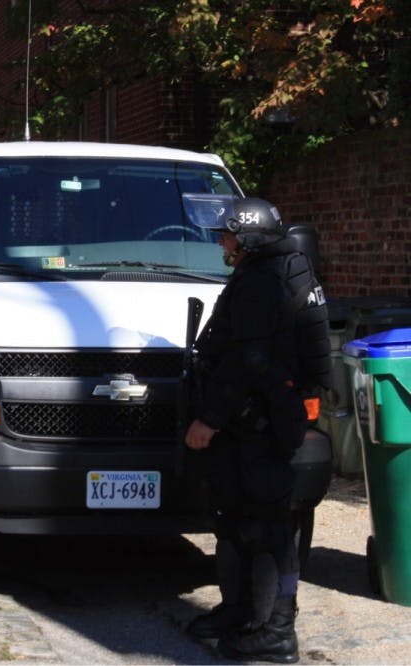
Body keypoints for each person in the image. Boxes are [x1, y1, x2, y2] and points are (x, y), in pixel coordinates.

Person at [183, 196, 331, 663]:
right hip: (257, 421)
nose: (221, 241)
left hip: (258, 422)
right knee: (239, 518)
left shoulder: (263, 282)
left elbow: (246, 361)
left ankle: (276, 632)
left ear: (248, 238)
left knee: (269, 527)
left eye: (227, 233)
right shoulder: (276, 270)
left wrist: (209, 420)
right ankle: (242, 611)